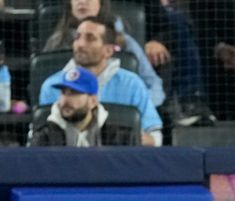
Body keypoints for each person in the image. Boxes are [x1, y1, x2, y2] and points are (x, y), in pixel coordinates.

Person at [39, 16, 163, 146]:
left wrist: (129, 140)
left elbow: (155, 135)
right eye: (77, 37)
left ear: (108, 50)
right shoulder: (51, 86)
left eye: (90, 38)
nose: (80, 44)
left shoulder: (132, 84)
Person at [44, 0, 166, 108]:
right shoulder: (56, 43)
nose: (82, 1)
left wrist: (139, 103)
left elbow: (153, 82)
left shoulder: (126, 42)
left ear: (101, 4)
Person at [29, 66, 140, 146]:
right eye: (63, 92)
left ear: (93, 101)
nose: (65, 100)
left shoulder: (121, 137)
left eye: (74, 93)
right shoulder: (44, 137)